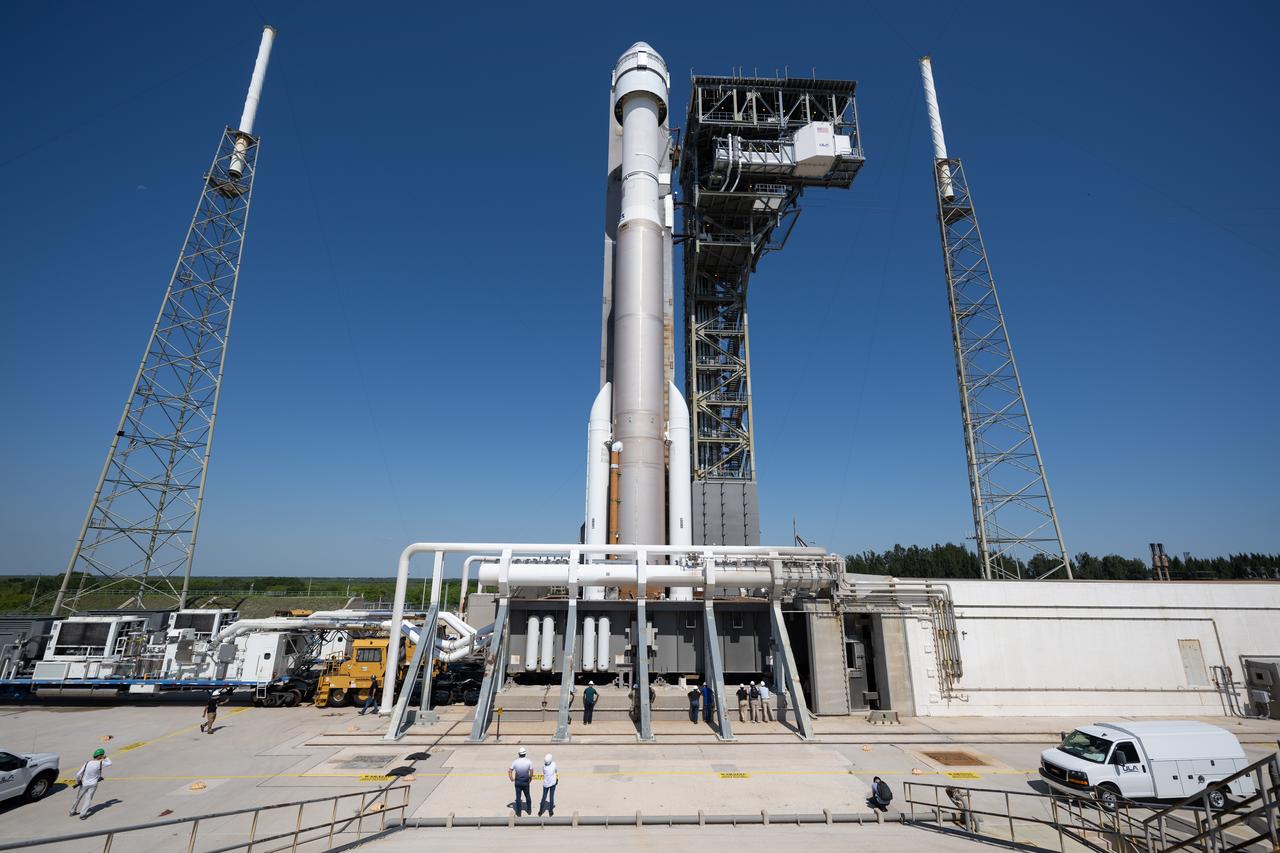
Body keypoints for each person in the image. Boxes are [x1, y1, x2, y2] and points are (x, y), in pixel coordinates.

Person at [69, 748, 111, 819]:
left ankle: (72, 811)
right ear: (100, 756)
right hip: (93, 784)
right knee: (88, 799)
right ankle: (82, 814)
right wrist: (105, 757)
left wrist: (79, 781)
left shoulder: (87, 763)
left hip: (84, 784)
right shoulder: (101, 763)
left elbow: (78, 774)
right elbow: (110, 763)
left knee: (78, 798)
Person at [509, 747, 533, 816]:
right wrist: (530, 778)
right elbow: (531, 771)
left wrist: (511, 778)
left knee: (518, 797)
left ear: (519, 754)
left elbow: (510, 770)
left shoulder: (515, 762)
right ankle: (529, 810)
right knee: (527, 796)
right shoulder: (529, 761)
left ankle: (519, 813)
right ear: (525, 754)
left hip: (518, 782)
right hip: (526, 781)